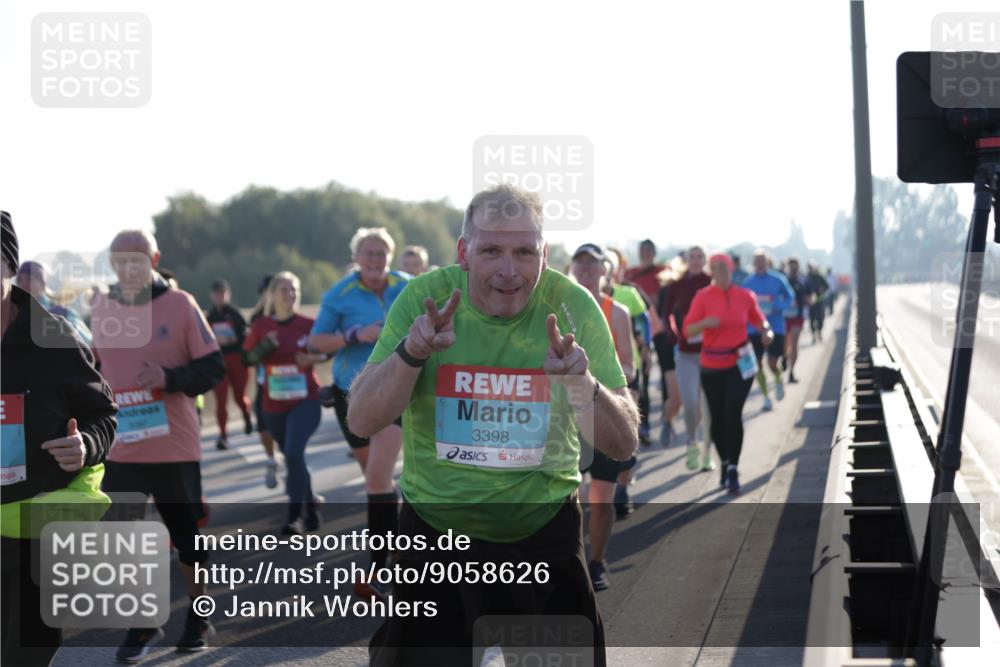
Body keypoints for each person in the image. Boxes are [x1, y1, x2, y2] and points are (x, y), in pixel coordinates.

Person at [348, 184, 638, 666]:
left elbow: (623, 442)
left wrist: (581, 384)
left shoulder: (572, 307)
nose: (509, 270)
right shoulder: (425, 299)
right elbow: (362, 418)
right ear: (464, 252)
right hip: (436, 535)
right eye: (491, 252)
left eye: (524, 252)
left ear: (544, 254)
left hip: (543, 532)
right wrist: (412, 353)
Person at [90, 230, 225, 661]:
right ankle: (144, 620)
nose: (128, 268)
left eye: (137, 259)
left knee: (186, 536)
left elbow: (213, 367)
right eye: (120, 261)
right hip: (122, 446)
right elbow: (92, 369)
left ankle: (198, 617)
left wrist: (170, 378)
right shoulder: (101, 307)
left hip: (173, 447)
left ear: (154, 259)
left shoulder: (181, 304)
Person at [1, 213, 118, 667]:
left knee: (27, 653)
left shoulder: (52, 338)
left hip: (37, 527)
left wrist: (86, 444)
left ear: (10, 267)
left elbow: (102, 414)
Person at [308, 228, 408, 600]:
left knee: (377, 478)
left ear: (390, 256)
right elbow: (316, 341)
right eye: (368, 252)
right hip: (351, 393)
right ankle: (401, 547)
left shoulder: (407, 285)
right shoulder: (340, 294)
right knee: (376, 479)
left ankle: (379, 570)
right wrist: (353, 335)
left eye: (382, 252)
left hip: (396, 389)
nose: (375, 259)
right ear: (356, 257)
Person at [570, 243, 636, 590]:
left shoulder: (617, 311)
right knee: (570, 497)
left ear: (604, 270)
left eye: (592, 264)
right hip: (569, 415)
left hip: (606, 411)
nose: (585, 269)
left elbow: (629, 366)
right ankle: (574, 561)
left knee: (602, 497)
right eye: (580, 263)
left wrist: (595, 380)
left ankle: (597, 562)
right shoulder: (559, 308)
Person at [244, 272, 325, 535]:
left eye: (294, 290)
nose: (290, 294)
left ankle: (294, 515)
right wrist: (265, 346)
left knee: (292, 453)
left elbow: (329, 350)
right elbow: (246, 359)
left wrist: (313, 359)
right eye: (284, 290)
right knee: (294, 457)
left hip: (306, 400)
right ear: (272, 295)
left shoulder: (309, 324)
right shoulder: (261, 326)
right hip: (274, 405)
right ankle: (310, 507)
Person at [684, 253, 772, 494]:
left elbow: (759, 319)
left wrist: (766, 331)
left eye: (723, 266)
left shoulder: (745, 295)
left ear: (731, 269)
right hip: (711, 365)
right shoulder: (702, 297)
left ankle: (733, 467)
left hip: (740, 364)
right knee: (717, 421)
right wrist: (705, 323)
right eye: (714, 267)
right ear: (710, 271)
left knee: (732, 414)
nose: (719, 271)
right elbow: (688, 330)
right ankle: (724, 461)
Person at [661, 246, 714, 471]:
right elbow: (666, 314)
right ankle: (691, 443)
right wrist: (673, 331)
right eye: (692, 257)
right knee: (690, 404)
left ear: (705, 260)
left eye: (700, 256)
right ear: (687, 260)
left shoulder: (712, 283)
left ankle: (706, 453)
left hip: (711, 354)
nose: (695, 260)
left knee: (707, 407)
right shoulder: (678, 284)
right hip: (686, 354)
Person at [608, 247, 660, 446]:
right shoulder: (585, 294)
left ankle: (641, 428)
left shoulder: (629, 293)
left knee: (639, 393)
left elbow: (644, 320)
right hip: (601, 362)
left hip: (630, 359)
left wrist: (646, 346)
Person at [741, 249, 794, 411]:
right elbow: (742, 305)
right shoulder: (747, 283)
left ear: (767, 262)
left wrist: (779, 306)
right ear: (753, 263)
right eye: (756, 261)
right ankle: (765, 397)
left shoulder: (778, 279)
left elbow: (790, 296)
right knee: (757, 365)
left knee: (772, 363)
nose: (759, 264)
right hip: (753, 329)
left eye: (762, 260)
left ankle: (778, 379)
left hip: (775, 327)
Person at [204, 279, 253, 449]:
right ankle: (223, 434)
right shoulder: (209, 317)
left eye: (222, 293)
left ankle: (246, 415)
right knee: (221, 399)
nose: (220, 296)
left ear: (228, 294)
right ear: (212, 295)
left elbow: (247, 336)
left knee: (239, 396)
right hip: (219, 363)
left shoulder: (235, 315)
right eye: (217, 293)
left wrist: (233, 339)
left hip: (237, 360)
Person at [246, 274, 280, 487]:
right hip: (264, 380)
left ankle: (297, 474)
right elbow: (249, 356)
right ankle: (271, 459)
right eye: (265, 292)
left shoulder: (289, 313)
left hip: (289, 381)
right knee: (263, 426)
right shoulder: (256, 318)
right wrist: (265, 346)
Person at [15, 260, 93, 346]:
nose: (23, 284)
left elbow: (88, 345)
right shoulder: (13, 315)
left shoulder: (64, 314)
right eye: (19, 280)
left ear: (42, 285)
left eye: (29, 279)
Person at [782, 258, 809, 384]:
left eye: (795, 266)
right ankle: (784, 357)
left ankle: (791, 372)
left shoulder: (803, 281)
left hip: (798, 317)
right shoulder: (783, 281)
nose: (793, 269)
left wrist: (808, 300)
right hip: (785, 317)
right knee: (786, 343)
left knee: (794, 344)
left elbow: (809, 296)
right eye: (791, 266)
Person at [806, 264, 831, 343]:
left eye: (812, 268)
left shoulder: (820, 277)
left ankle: (819, 332)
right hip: (811, 302)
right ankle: (813, 335)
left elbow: (827, 286)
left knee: (820, 318)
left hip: (820, 301)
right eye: (809, 268)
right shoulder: (807, 277)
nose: (811, 269)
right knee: (812, 319)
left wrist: (822, 291)